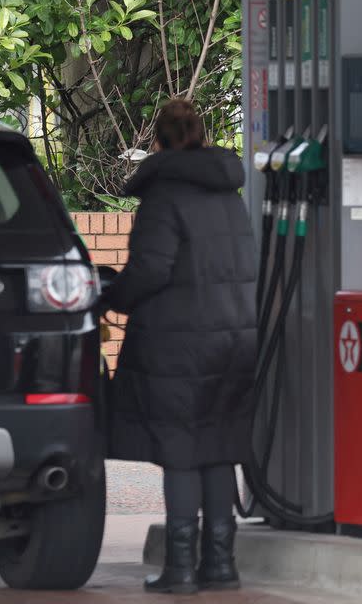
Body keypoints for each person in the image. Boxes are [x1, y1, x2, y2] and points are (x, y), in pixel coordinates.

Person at [103, 99, 256, 594]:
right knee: (218, 447)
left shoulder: (164, 195)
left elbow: (151, 269)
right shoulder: (228, 194)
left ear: (161, 139)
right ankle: (221, 565)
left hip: (177, 343)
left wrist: (110, 296)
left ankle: (182, 569)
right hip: (234, 339)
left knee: (181, 453)